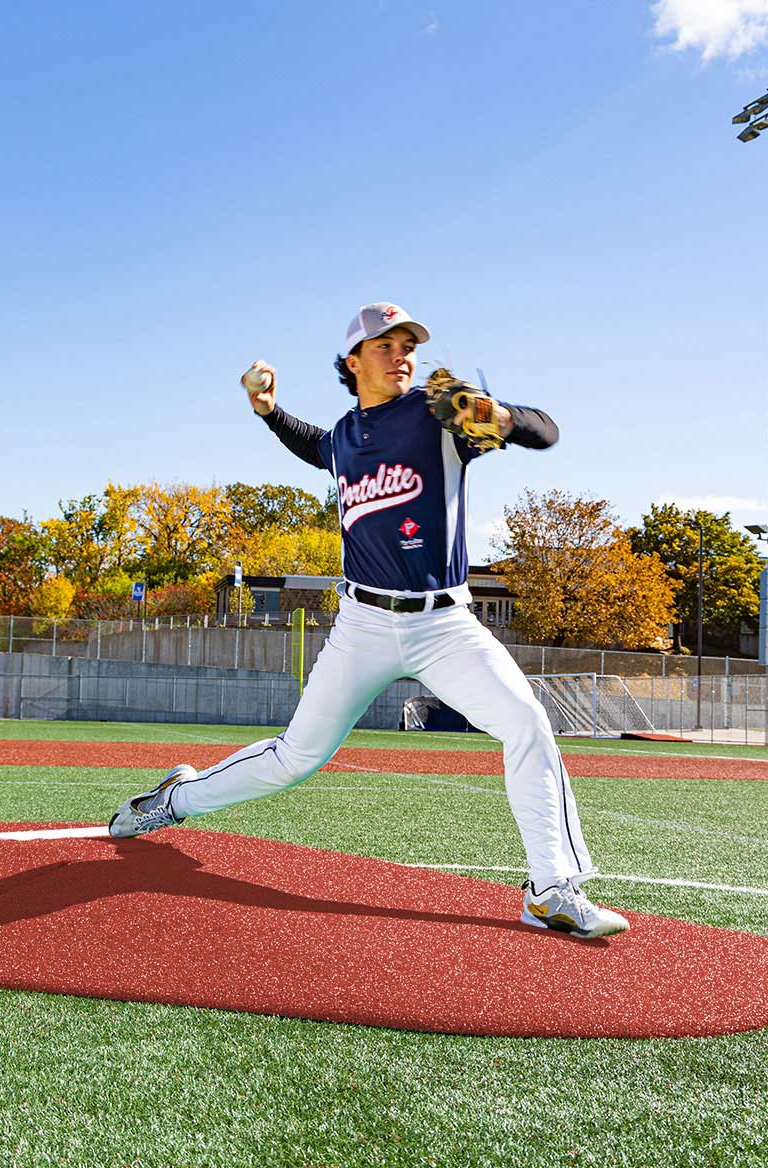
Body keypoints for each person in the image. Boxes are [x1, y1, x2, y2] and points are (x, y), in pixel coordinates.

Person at [109, 302, 629, 938]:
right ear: (353, 362)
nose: (402, 352)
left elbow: (545, 432)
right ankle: (174, 799)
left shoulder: (439, 415)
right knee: (295, 758)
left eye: (408, 342)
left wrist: (498, 416)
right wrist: (269, 411)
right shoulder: (346, 434)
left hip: (446, 625)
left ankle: (551, 888)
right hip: (362, 624)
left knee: (526, 724)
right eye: (385, 344)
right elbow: (318, 448)